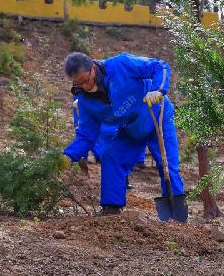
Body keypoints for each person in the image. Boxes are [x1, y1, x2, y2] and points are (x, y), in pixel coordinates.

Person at [61, 51, 186, 217]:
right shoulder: (85, 101)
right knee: (112, 157)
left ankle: (175, 215)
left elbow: (159, 66)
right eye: (79, 84)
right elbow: (86, 135)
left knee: (168, 167)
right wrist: (68, 156)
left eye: (86, 80)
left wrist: (158, 90)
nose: (85, 86)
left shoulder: (122, 64)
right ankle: (111, 208)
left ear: (92, 68)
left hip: (157, 117)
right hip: (131, 130)